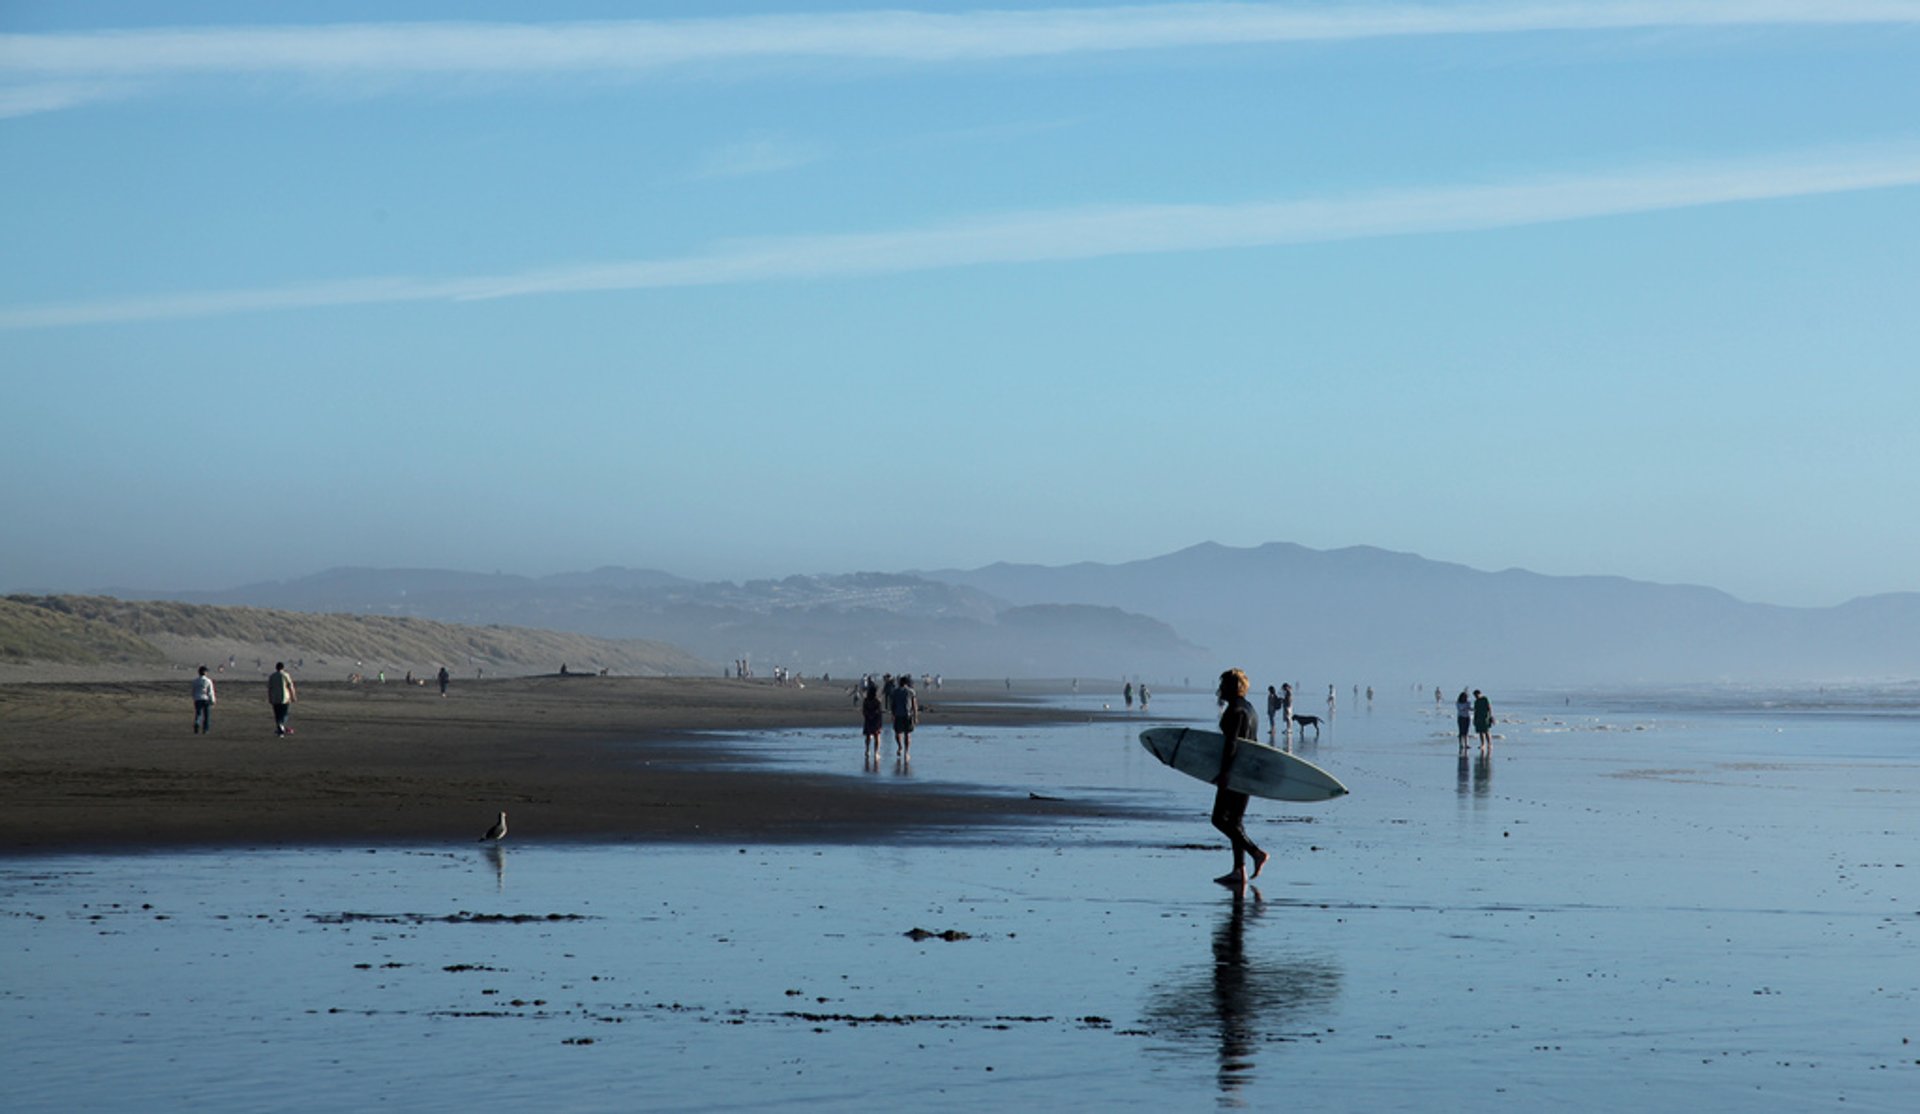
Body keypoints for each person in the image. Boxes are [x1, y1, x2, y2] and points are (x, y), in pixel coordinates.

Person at [1210, 668, 1269, 888]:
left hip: (1235, 772)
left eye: (1223, 685)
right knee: (1235, 822)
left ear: (1232, 687)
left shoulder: (1235, 710)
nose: (1219, 689)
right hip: (1248, 771)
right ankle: (1239, 870)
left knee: (1218, 819)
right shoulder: (1250, 709)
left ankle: (1255, 853)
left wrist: (1225, 772)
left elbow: (1232, 744)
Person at [889, 672, 919, 757]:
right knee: (907, 734)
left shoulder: (895, 691)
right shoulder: (911, 692)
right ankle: (906, 752)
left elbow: (893, 705)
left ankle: (900, 747)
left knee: (898, 733)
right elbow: (914, 705)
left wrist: (892, 714)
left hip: (898, 714)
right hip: (907, 715)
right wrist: (915, 716)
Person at [268, 662, 298, 737]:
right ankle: (281, 726)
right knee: (284, 714)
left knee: (277, 714)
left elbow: (270, 688)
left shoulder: (272, 676)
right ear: (283, 668)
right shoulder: (285, 675)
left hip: (275, 698)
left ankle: (280, 730)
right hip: (285, 698)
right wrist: (293, 696)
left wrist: (270, 697)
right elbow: (290, 686)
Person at [860, 682, 885, 758]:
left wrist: (868, 715)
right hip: (876, 720)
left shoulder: (866, 700)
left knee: (868, 736)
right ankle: (876, 753)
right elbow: (878, 711)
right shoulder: (877, 701)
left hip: (868, 719)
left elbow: (864, 711)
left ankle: (867, 750)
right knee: (877, 736)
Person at [192, 665, 216, 734]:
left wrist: (194, 698)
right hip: (205, 699)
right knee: (206, 716)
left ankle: (197, 722)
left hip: (197, 699)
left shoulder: (195, 681)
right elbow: (210, 692)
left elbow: (193, 691)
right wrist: (212, 700)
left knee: (198, 714)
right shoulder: (208, 681)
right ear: (205, 672)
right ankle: (205, 730)